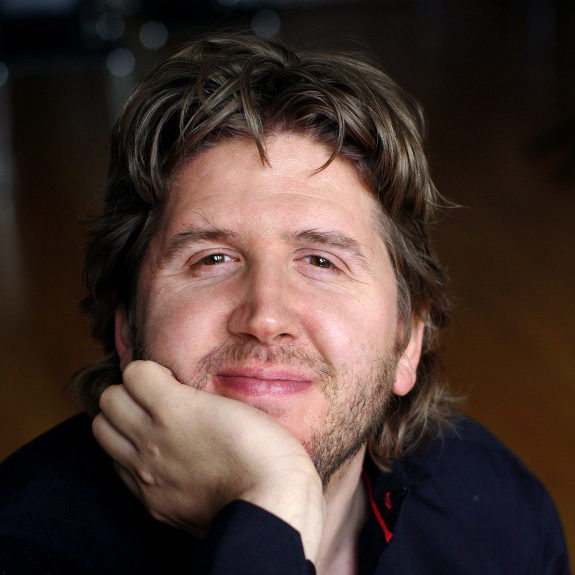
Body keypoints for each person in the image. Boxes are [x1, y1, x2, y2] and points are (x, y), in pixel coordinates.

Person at [0, 33, 570, 574]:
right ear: (126, 326)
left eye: (321, 261)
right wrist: (271, 505)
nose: (265, 317)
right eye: (212, 259)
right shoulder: (22, 547)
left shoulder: (500, 515)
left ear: (408, 339)